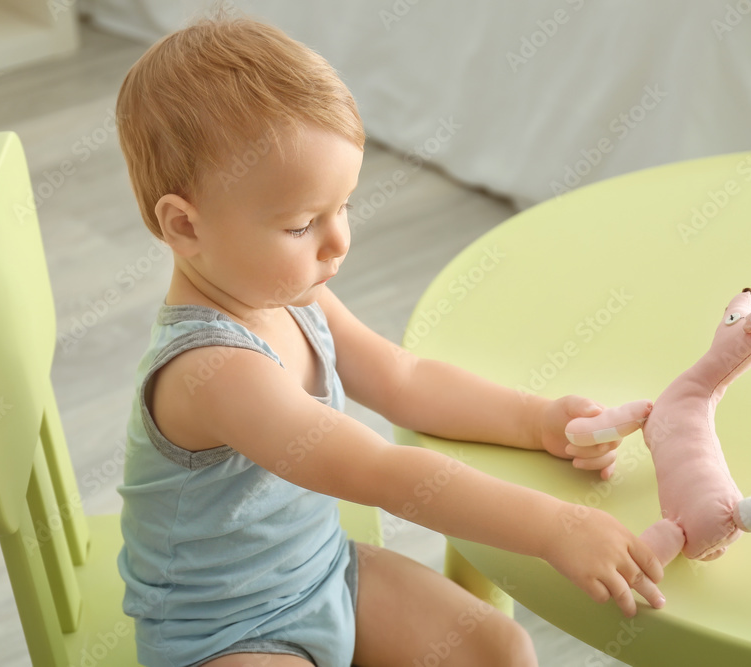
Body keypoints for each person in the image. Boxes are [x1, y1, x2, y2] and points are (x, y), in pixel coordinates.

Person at [114, 13, 665, 667]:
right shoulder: (212, 372)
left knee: (502, 648)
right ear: (184, 226)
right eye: (301, 224)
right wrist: (552, 526)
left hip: (326, 570)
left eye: (342, 206)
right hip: (225, 632)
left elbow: (404, 380)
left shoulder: (292, 296)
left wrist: (534, 419)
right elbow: (380, 471)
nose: (339, 240)